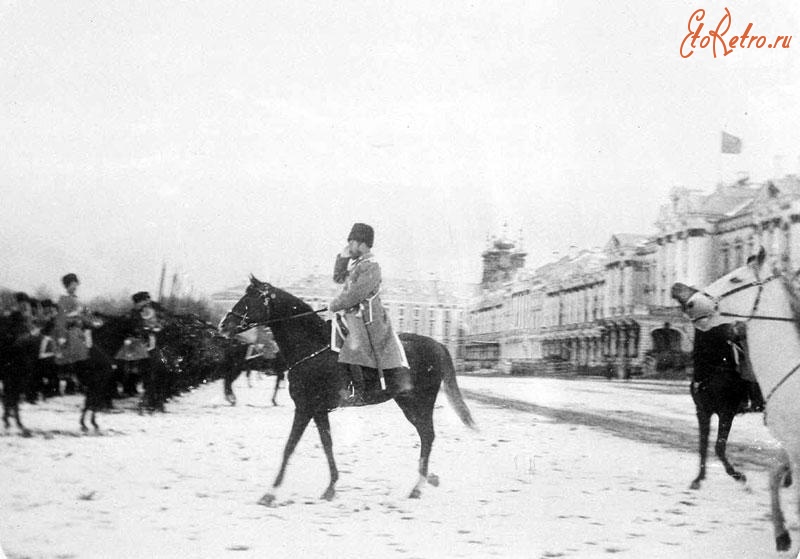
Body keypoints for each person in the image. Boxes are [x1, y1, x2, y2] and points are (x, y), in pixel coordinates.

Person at [329, 222, 412, 405]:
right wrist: (343, 257)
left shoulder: (372, 266)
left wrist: (335, 304)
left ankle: (358, 391)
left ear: (362, 243)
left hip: (368, 317)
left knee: (354, 343)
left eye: (351, 243)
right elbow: (337, 278)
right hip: (354, 313)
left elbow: (356, 293)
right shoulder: (357, 264)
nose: (349, 247)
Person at [54, 273, 91, 394]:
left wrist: (90, 320)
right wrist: (62, 336)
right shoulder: (63, 299)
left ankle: (81, 382)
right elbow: (61, 319)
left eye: (76, 285)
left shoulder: (77, 299)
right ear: (67, 286)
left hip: (80, 330)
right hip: (70, 332)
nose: (74, 287)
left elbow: (85, 315)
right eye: (72, 285)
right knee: (77, 357)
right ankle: (74, 383)